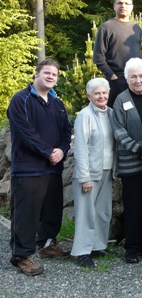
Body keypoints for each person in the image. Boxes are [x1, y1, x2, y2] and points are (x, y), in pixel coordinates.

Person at [8, 59, 71, 276]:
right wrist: (48, 153)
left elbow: (65, 133)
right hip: (29, 169)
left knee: (52, 211)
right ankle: (21, 256)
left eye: (54, 74)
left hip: (53, 168)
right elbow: (25, 132)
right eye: (47, 73)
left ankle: (46, 245)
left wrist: (61, 151)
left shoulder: (58, 104)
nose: (51, 76)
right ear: (36, 74)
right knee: (26, 215)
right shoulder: (21, 100)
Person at [111, 58, 142, 264]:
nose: (138, 80)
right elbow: (118, 132)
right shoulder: (120, 99)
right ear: (127, 78)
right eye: (133, 76)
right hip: (131, 164)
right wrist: (141, 150)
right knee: (134, 207)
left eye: (141, 76)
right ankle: (131, 249)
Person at [71, 78, 115, 268]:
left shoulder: (111, 113)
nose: (101, 96)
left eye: (104, 92)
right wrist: (84, 177)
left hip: (107, 170)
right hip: (89, 173)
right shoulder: (84, 115)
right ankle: (82, 251)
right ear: (89, 96)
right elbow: (80, 147)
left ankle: (97, 245)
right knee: (86, 213)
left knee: (103, 212)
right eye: (97, 93)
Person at [93, 0, 142, 106]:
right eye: (119, 3)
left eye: (126, 3)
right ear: (114, 6)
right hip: (116, 81)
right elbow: (98, 57)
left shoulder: (137, 29)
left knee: (133, 117)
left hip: (135, 80)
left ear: (132, 7)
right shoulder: (106, 27)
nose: (123, 6)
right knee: (117, 116)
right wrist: (113, 77)